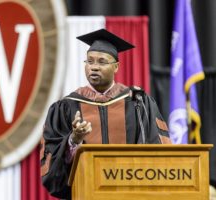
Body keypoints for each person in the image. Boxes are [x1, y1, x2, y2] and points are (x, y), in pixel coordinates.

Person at [40, 29, 171, 200]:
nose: (94, 67)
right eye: (90, 61)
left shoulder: (139, 102)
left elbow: (158, 146)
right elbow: (52, 162)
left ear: (116, 66)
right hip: (86, 191)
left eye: (102, 62)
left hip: (131, 193)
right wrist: (74, 139)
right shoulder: (66, 106)